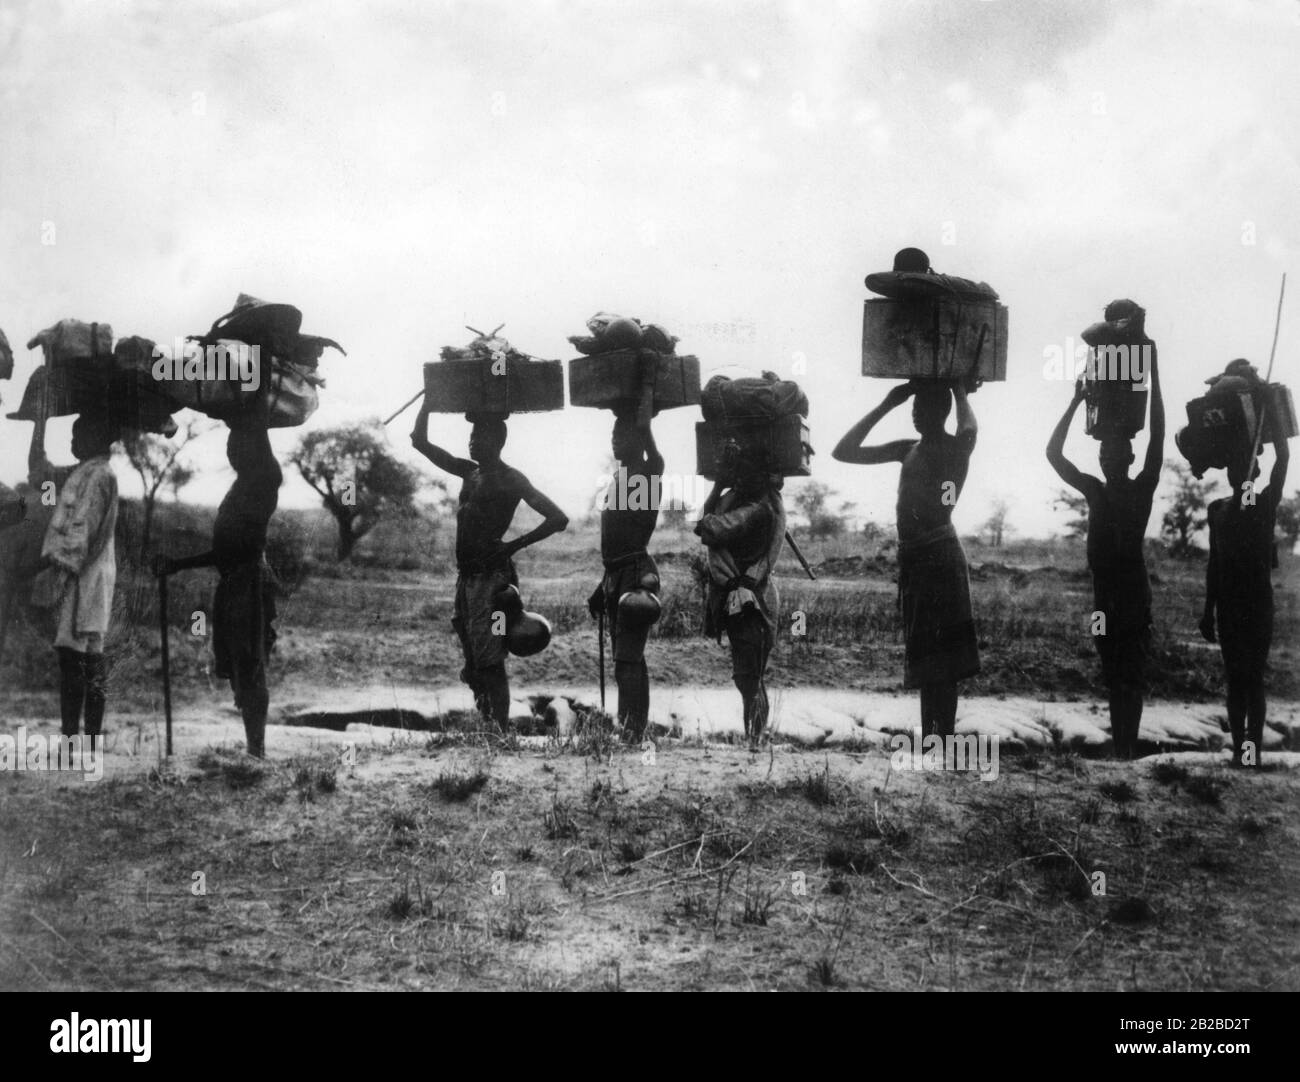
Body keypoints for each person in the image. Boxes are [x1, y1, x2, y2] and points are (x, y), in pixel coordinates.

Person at [833, 379, 979, 737]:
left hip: (940, 556)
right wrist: (888, 403)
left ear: (941, 411)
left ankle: (939, 738)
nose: (915, 414)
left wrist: (959, 390)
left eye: (923, 407)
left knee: (944, 657)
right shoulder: (907, 448)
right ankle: (934, 737)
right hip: (915, 560)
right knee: (927, 657)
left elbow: (970, 428)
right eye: (914, 408)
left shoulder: (954, 449)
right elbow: (844, 450)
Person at [412, 404, 568, 728]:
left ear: (498, 440)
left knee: (491, 657)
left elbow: (558, 517)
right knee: (473, 659)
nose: (472, 441)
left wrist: (513, 545)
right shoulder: (469, 472)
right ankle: (489, 730)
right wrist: (428, 404)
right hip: (467, 580)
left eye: (480, 435)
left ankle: (498, 735)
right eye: (471, 435)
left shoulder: (511, 479)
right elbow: (420, 442)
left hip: (494, 586)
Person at [1046, 348, 1164, 759]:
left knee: (1131, 668)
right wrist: (1076, 400)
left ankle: (1128, 746)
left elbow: (1160, 436)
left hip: (1133, 594)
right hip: (1101, 598)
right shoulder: (1094, 489)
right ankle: (1122, 745)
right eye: (1104, 454)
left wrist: (1156, 379)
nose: (1108, 458)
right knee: (1111, 668)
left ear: (1129, 457)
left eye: (1116, 454)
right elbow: (1053, 455)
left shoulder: (1141, 487)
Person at [156, 409, 282, 758]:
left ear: (255, 450)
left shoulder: (264, 480)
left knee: (250, 663)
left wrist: (251, 413)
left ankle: (257, 752)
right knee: (241, 665)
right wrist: (178, 565)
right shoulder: (240, 487)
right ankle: (254, 749)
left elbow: (259, 432)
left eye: (239, 445)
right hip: (234, 583)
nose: (232, 451)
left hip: (250, 583)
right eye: (230, 446)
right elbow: (224, 549)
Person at [1200, 387, 1289, 768]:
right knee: (1236, 680)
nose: (1241, 469)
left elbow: (1283, 457)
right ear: (1229, 469)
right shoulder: (1217, 509)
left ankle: (1251, 753)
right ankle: (1240, 751)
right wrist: (1207, 611)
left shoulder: (1262, 503)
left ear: (1253, 469)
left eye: (1247, 464)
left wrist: (1271, 410)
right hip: (1229, 605)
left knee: (1252, 679)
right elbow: (1214, 564)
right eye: (1235, 464)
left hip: (1257, 603)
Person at [34, 412, 120, 750]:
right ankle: (79, 742)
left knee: (79, 660)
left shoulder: (99, 475)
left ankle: (81, 744)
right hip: (82, 574)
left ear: (97, 437)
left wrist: (51, 564)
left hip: (85, 575)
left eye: (78, 434)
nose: (73, 442)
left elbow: (83, 529)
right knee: (81, 658)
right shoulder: (87, 472)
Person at [695, 441, 787, 749]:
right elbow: (708, 520)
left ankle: (756, 741)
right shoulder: (753, 503)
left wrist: (720, 486)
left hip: (752, 602)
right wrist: (721, 484)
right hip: (745, 600)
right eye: (739, 472)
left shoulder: (756, 511)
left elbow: (708, 527)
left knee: (749, 677)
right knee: (747, 677)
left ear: (762, 476)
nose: (742, 479)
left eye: (748, 472)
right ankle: (754, 740)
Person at [588, 384, 664, 742]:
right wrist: (601, 585)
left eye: (625, 433)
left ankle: (634, 731)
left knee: (627, 659)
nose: (617, 440)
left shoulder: (646, 473)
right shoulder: (620, 478)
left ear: (640, 438)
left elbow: (656, 459)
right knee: (625, 659)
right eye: (614, 433)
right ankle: (630, 727)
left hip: (636, 574)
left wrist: (643, 418)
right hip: (618, 574)